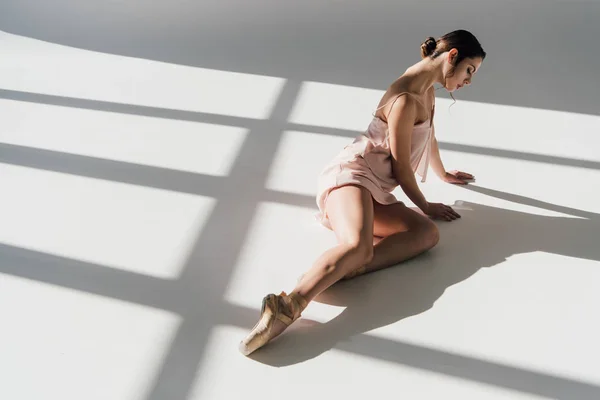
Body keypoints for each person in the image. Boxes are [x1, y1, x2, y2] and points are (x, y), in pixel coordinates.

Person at [239, 29, 486, 356]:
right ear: (452, 55)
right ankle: (288, 304)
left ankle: (345, 267)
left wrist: (442, 172)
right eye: (470, 70)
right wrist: (425, 203)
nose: (469, 81)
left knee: (426, 234)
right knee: (357, 245)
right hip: (351, 177)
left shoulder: (426, 88)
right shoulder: (405, 98)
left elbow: (429, 135)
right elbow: (401, 168)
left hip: (375, 188)